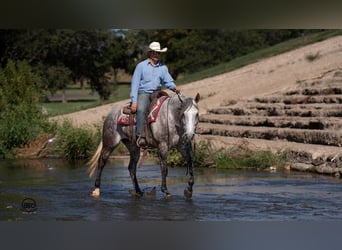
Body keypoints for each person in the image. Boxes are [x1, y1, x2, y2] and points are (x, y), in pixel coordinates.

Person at [130, 41, 181, 147]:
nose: (157, 55)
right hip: (144, 93)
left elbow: (168, 81)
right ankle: (140, 136)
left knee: (168, 108)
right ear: (150, 53)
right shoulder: (141, 66)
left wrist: (174, 88)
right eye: (155, 52)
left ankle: (167, 134)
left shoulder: (163, 67)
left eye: (158, 53)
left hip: (157, 92)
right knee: (141, 109)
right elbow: (134, 84)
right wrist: (134, 101)